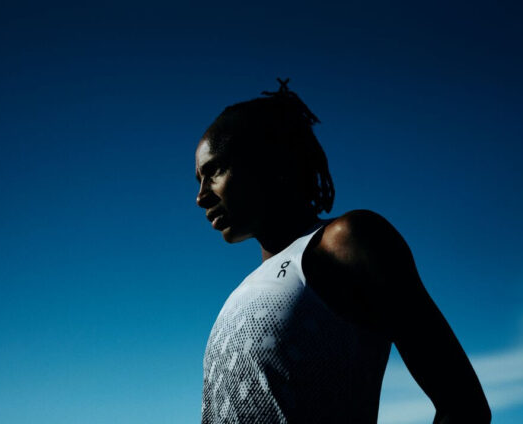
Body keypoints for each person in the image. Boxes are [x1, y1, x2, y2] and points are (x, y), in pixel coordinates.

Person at [195, 79, 491, 423]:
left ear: (268, 160)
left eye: (214, 171)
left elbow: (464, 405)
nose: (201, 197)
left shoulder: (344, 241)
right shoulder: (240, 294)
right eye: (198, 180)